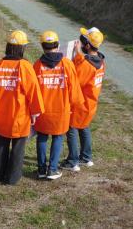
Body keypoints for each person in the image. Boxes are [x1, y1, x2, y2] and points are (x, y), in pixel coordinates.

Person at [0, 30, 44, 185]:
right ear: (22, 48)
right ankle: (12, 178)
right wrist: (35, 112)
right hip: (19, 115)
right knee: (18, 147)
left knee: (1, 144)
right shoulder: (25, 66)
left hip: (1, 114)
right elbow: (33, 91)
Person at [33, 31, 84, 180]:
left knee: (42, 137)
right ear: (57, 45)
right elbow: (74, 89)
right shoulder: (67, 64)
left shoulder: (37, 65)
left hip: (43, 111)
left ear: (42, 46)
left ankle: (42, 169)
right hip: (61, 111)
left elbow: (33, 90)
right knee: (58, 138)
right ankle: (52, 169)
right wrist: (76, 106)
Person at [61, 27, 106, 171]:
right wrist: (79, 54)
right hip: (91, 104)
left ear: (87, 45)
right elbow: (87, 65)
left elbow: (76, 81)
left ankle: (72, 161)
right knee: (84, 128)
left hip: (80, 104)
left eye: (83, 42)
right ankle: (86, 158)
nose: (81, 43)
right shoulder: (100, 61)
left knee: (72, 129)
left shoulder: (86, 65)